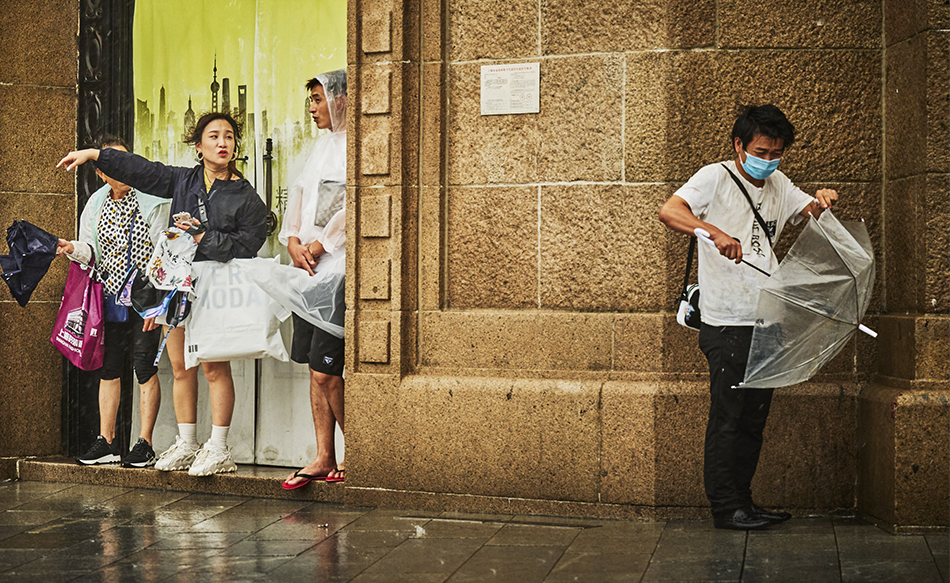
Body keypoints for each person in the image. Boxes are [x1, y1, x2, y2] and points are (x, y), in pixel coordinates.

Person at [658, 104, 839, 530]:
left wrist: (822, 203)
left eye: (777, 153)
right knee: (728, 417)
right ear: (739, 145)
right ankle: (726, 508)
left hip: (768, 318)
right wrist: (716, 232)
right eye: (762, 150)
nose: (769, 160)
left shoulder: (777, 182)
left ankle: (745, 502)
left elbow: (805, 212)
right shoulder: (715, 176)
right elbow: (670, 211)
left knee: (754, 419)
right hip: (726, 320)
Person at [58, 112, 268, 477]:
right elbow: (141, 169)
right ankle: (187, 442)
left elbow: (247, 245)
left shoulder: (246, 195)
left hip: (217, 288)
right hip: (178, 287)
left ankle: (218, 446)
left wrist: (204, 236)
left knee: (215, 367)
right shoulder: (183, 179)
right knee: (180, 366)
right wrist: (95, 155)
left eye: (229, 137)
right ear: (198, 146)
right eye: (214, 137)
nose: (223, 143)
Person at [58, 137, 170, 468]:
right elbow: (90, 250)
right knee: (109, 368)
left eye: (125, 161)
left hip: (145, 298)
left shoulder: (151, 199)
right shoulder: (95, 203)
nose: (121, 169)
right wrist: (70, 248)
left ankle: (145, 444)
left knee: (144, 365)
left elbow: (166, 253)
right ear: (101, 172)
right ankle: (106, 442)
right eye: (112, 164)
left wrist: (160, 304)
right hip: (108, 297)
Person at [279, 69, 348, 489]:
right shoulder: (317, 148)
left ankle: (361, 449)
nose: (311, 108)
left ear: (339, 100)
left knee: (328, 370)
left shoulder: (356, 147)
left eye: (318, 99)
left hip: (334, 270)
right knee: (312, 368)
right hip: (305, 271)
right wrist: (291, 241)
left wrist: (320, 246)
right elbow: (298, 200)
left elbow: (353, 205)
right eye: (310, 100)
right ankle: (324, 455)